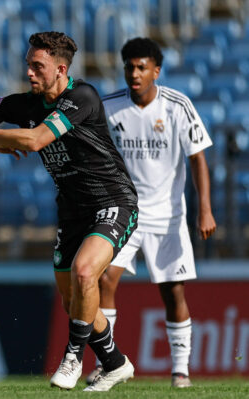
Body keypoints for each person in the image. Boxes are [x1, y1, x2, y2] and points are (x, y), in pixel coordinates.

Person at [0, 31, 138, 391]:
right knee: (74, 298)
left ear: (60, 68)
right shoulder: (23, 104)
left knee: (85, 273)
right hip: (72, 211)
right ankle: (116, 363)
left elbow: (36, 139)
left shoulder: (82, 97)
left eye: (37, 66)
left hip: (113, 202)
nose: (29, 72)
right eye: (27, 65)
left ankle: (72, 359)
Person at [85, 37, 216, 388]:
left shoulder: (177, 105)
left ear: (156, 70)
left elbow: (198, 158)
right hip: (123, 213)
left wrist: (204, 209)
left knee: (173, 292)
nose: (135, 73)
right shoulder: (108, 106)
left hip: (167, 215)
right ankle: (109, 362)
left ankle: (180, 370)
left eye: (142, 67)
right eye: (129, 67)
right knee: (104, 280)